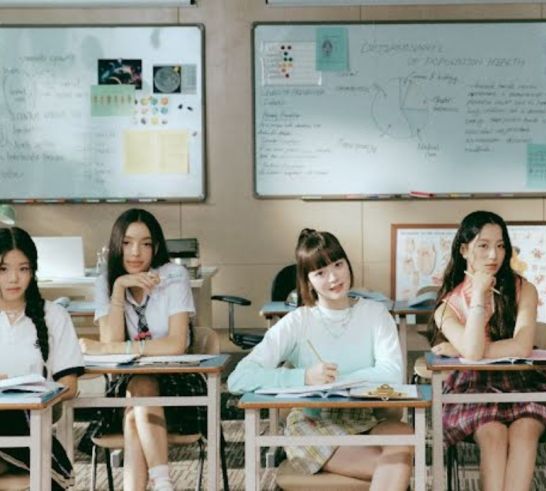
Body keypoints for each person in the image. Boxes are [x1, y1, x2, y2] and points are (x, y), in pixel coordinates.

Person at [228, 228, 412, 490]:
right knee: (397, 463)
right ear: (307, 280)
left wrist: (340, 381)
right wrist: (303, 377)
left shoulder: (375, 313)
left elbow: (392, 373)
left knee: (404, 435)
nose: (334, 277)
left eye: (338, 265)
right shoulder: (297, 322)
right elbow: (239, 378)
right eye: (320, 272)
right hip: (313, 425)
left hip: (364, 419)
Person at [429, 210, 546, 491]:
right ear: (463, 250)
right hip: (473, 386)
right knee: (493, 435)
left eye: (500, 245)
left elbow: (520, 347)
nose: (493, 255)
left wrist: (465, 350)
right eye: (483, 246)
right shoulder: (448, 305)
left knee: (524, 432)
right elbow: (472, 354)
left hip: (524, 380)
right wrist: (480, 297)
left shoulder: (524, 289)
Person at [79, 208, 203, 491]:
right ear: (116, 245)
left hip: (179, 383)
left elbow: (176, 345)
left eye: (146, 243)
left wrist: (122, 348)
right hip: (126, 388)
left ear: (156, 247)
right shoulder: (107, 281)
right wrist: (119, 288)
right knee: (137, 394)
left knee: (139, 395)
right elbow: (109, 342)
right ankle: (162, 483)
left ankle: (155, 484)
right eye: (127, 243)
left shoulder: (173, 275)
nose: (136, 252)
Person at [0, 227, 84, 490]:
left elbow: (70, 385)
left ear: (33, 271)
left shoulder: (54, 316)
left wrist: (31, 388)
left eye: (23, 269)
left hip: (31, 420)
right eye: (3, 269)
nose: (14, 278)